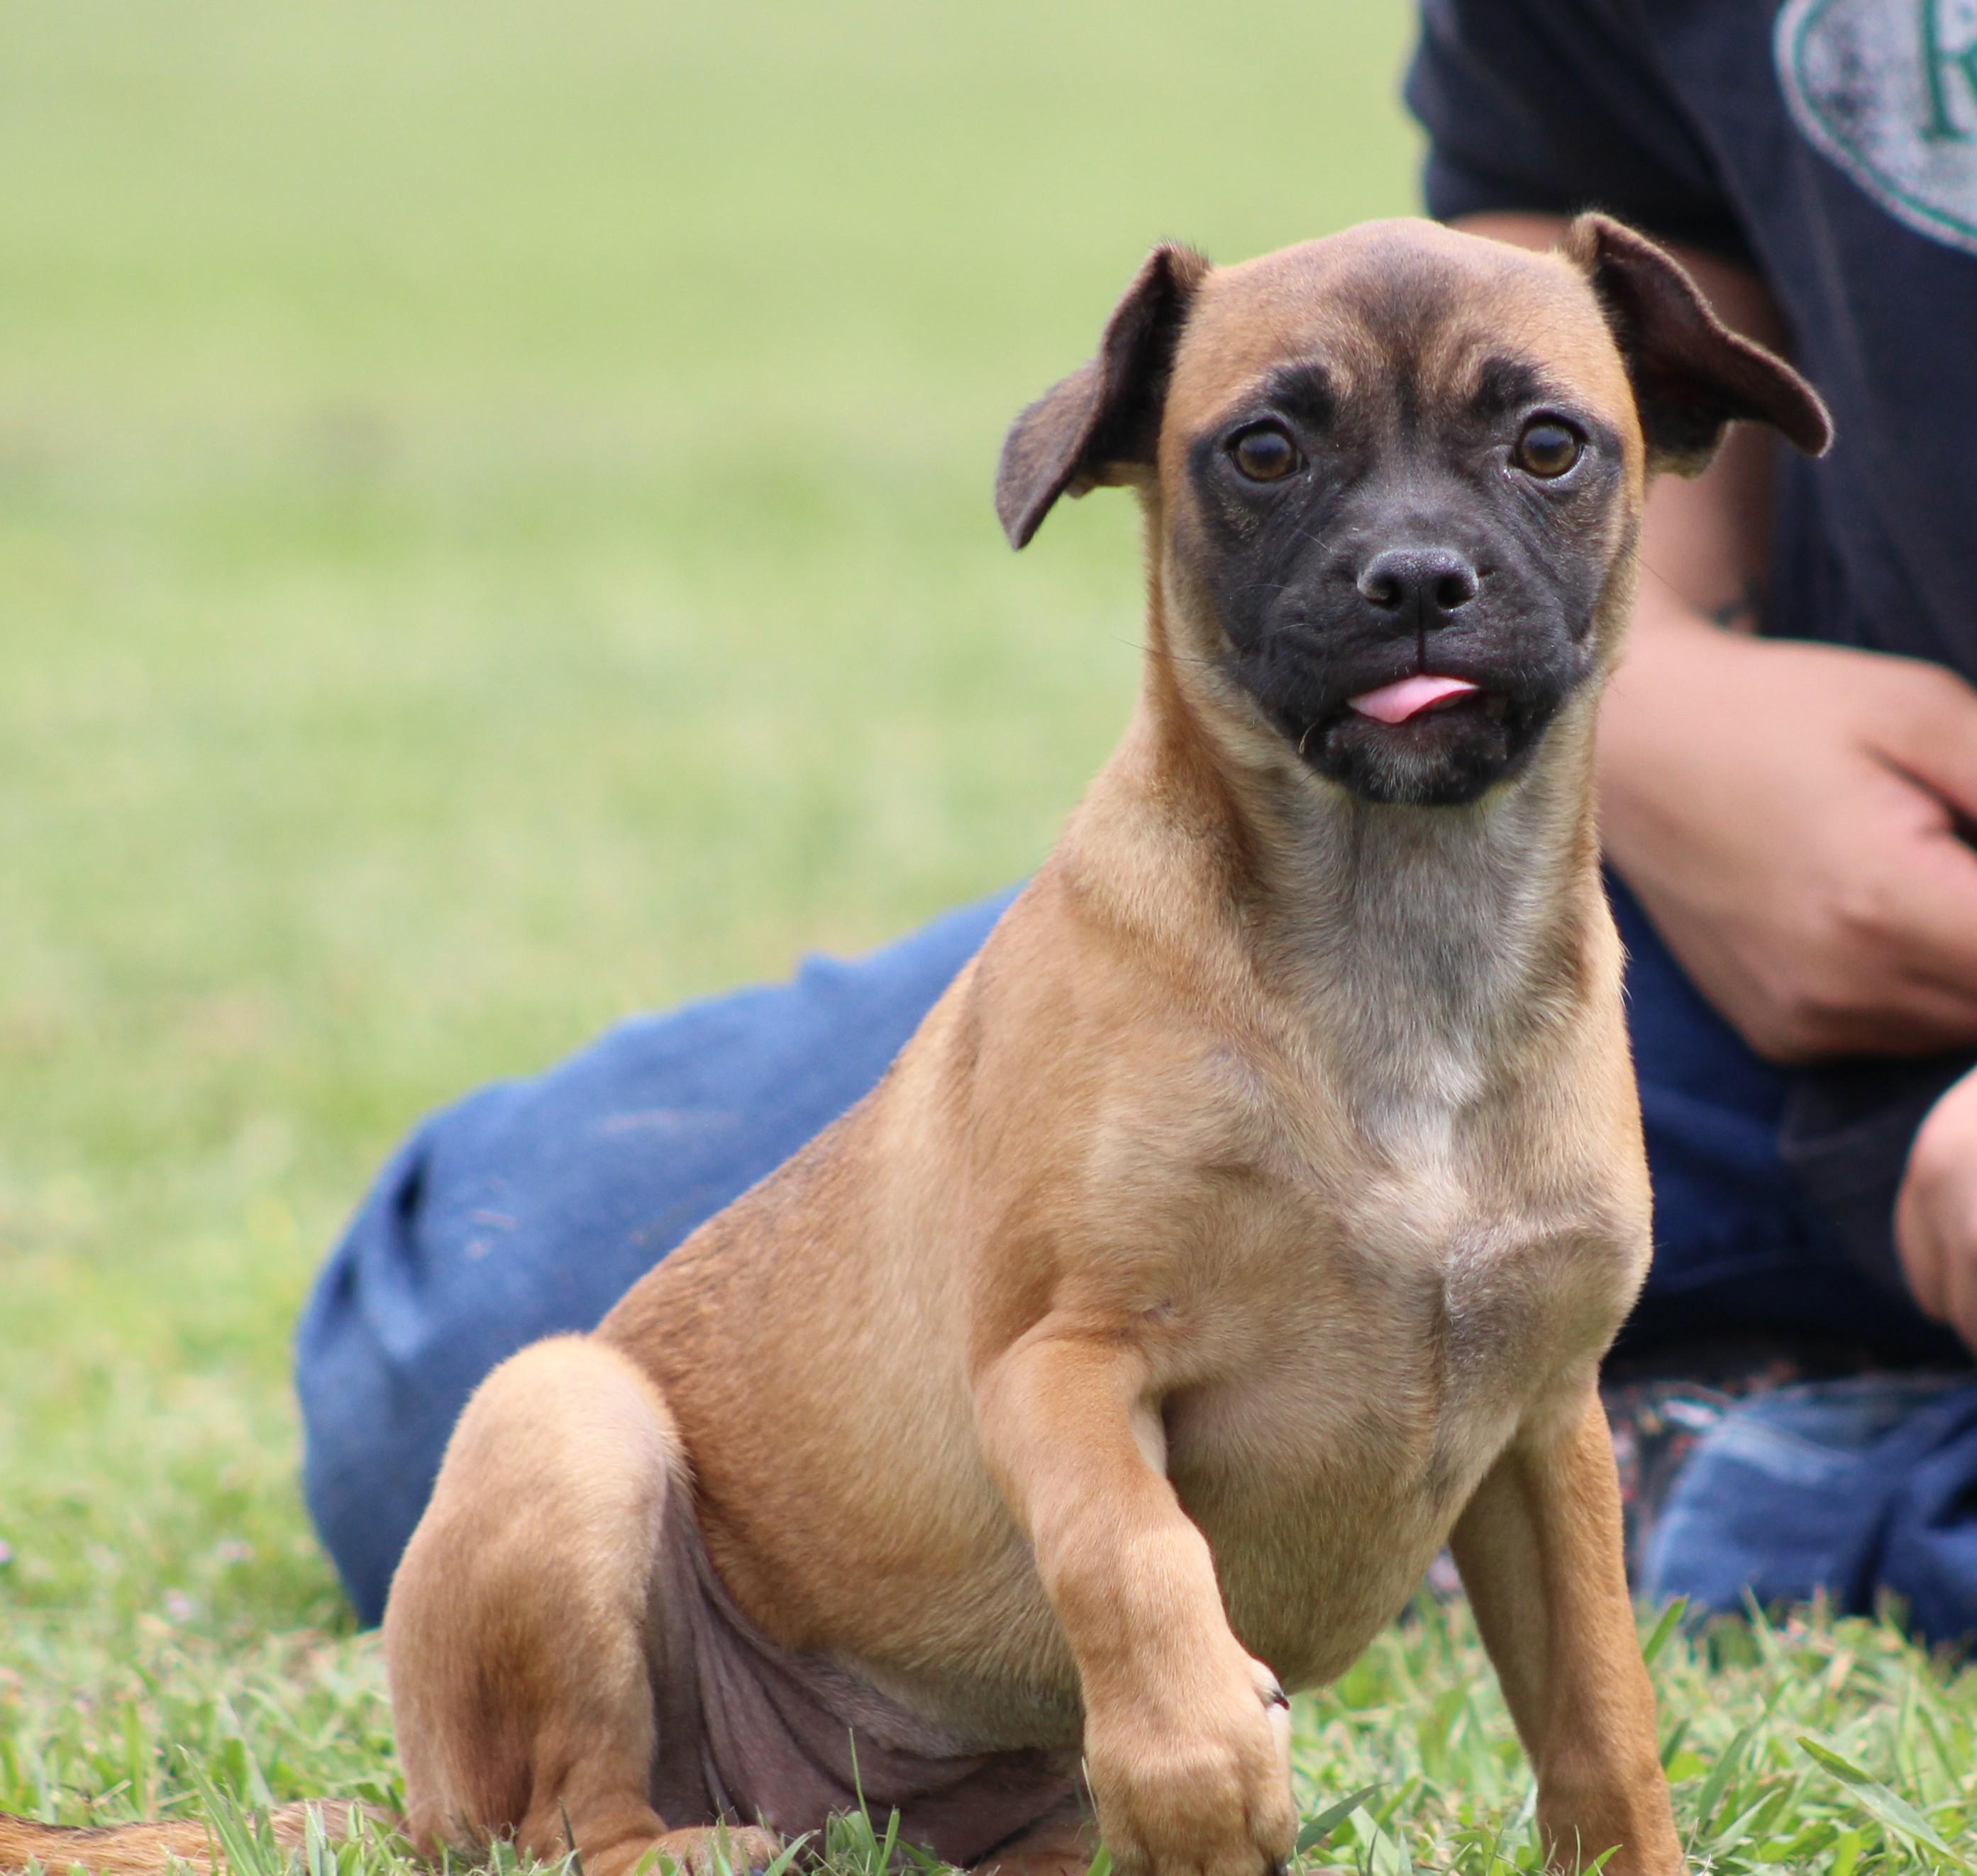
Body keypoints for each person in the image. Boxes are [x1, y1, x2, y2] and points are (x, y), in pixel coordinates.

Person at [298, 0, 1977, 1633]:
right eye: (1267, 460)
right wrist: (1669, 703)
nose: (1407, 555)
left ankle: (1701, 1480)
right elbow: (1562, 223)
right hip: (1691, 892)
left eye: (1534, 455)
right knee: (483, 1342)